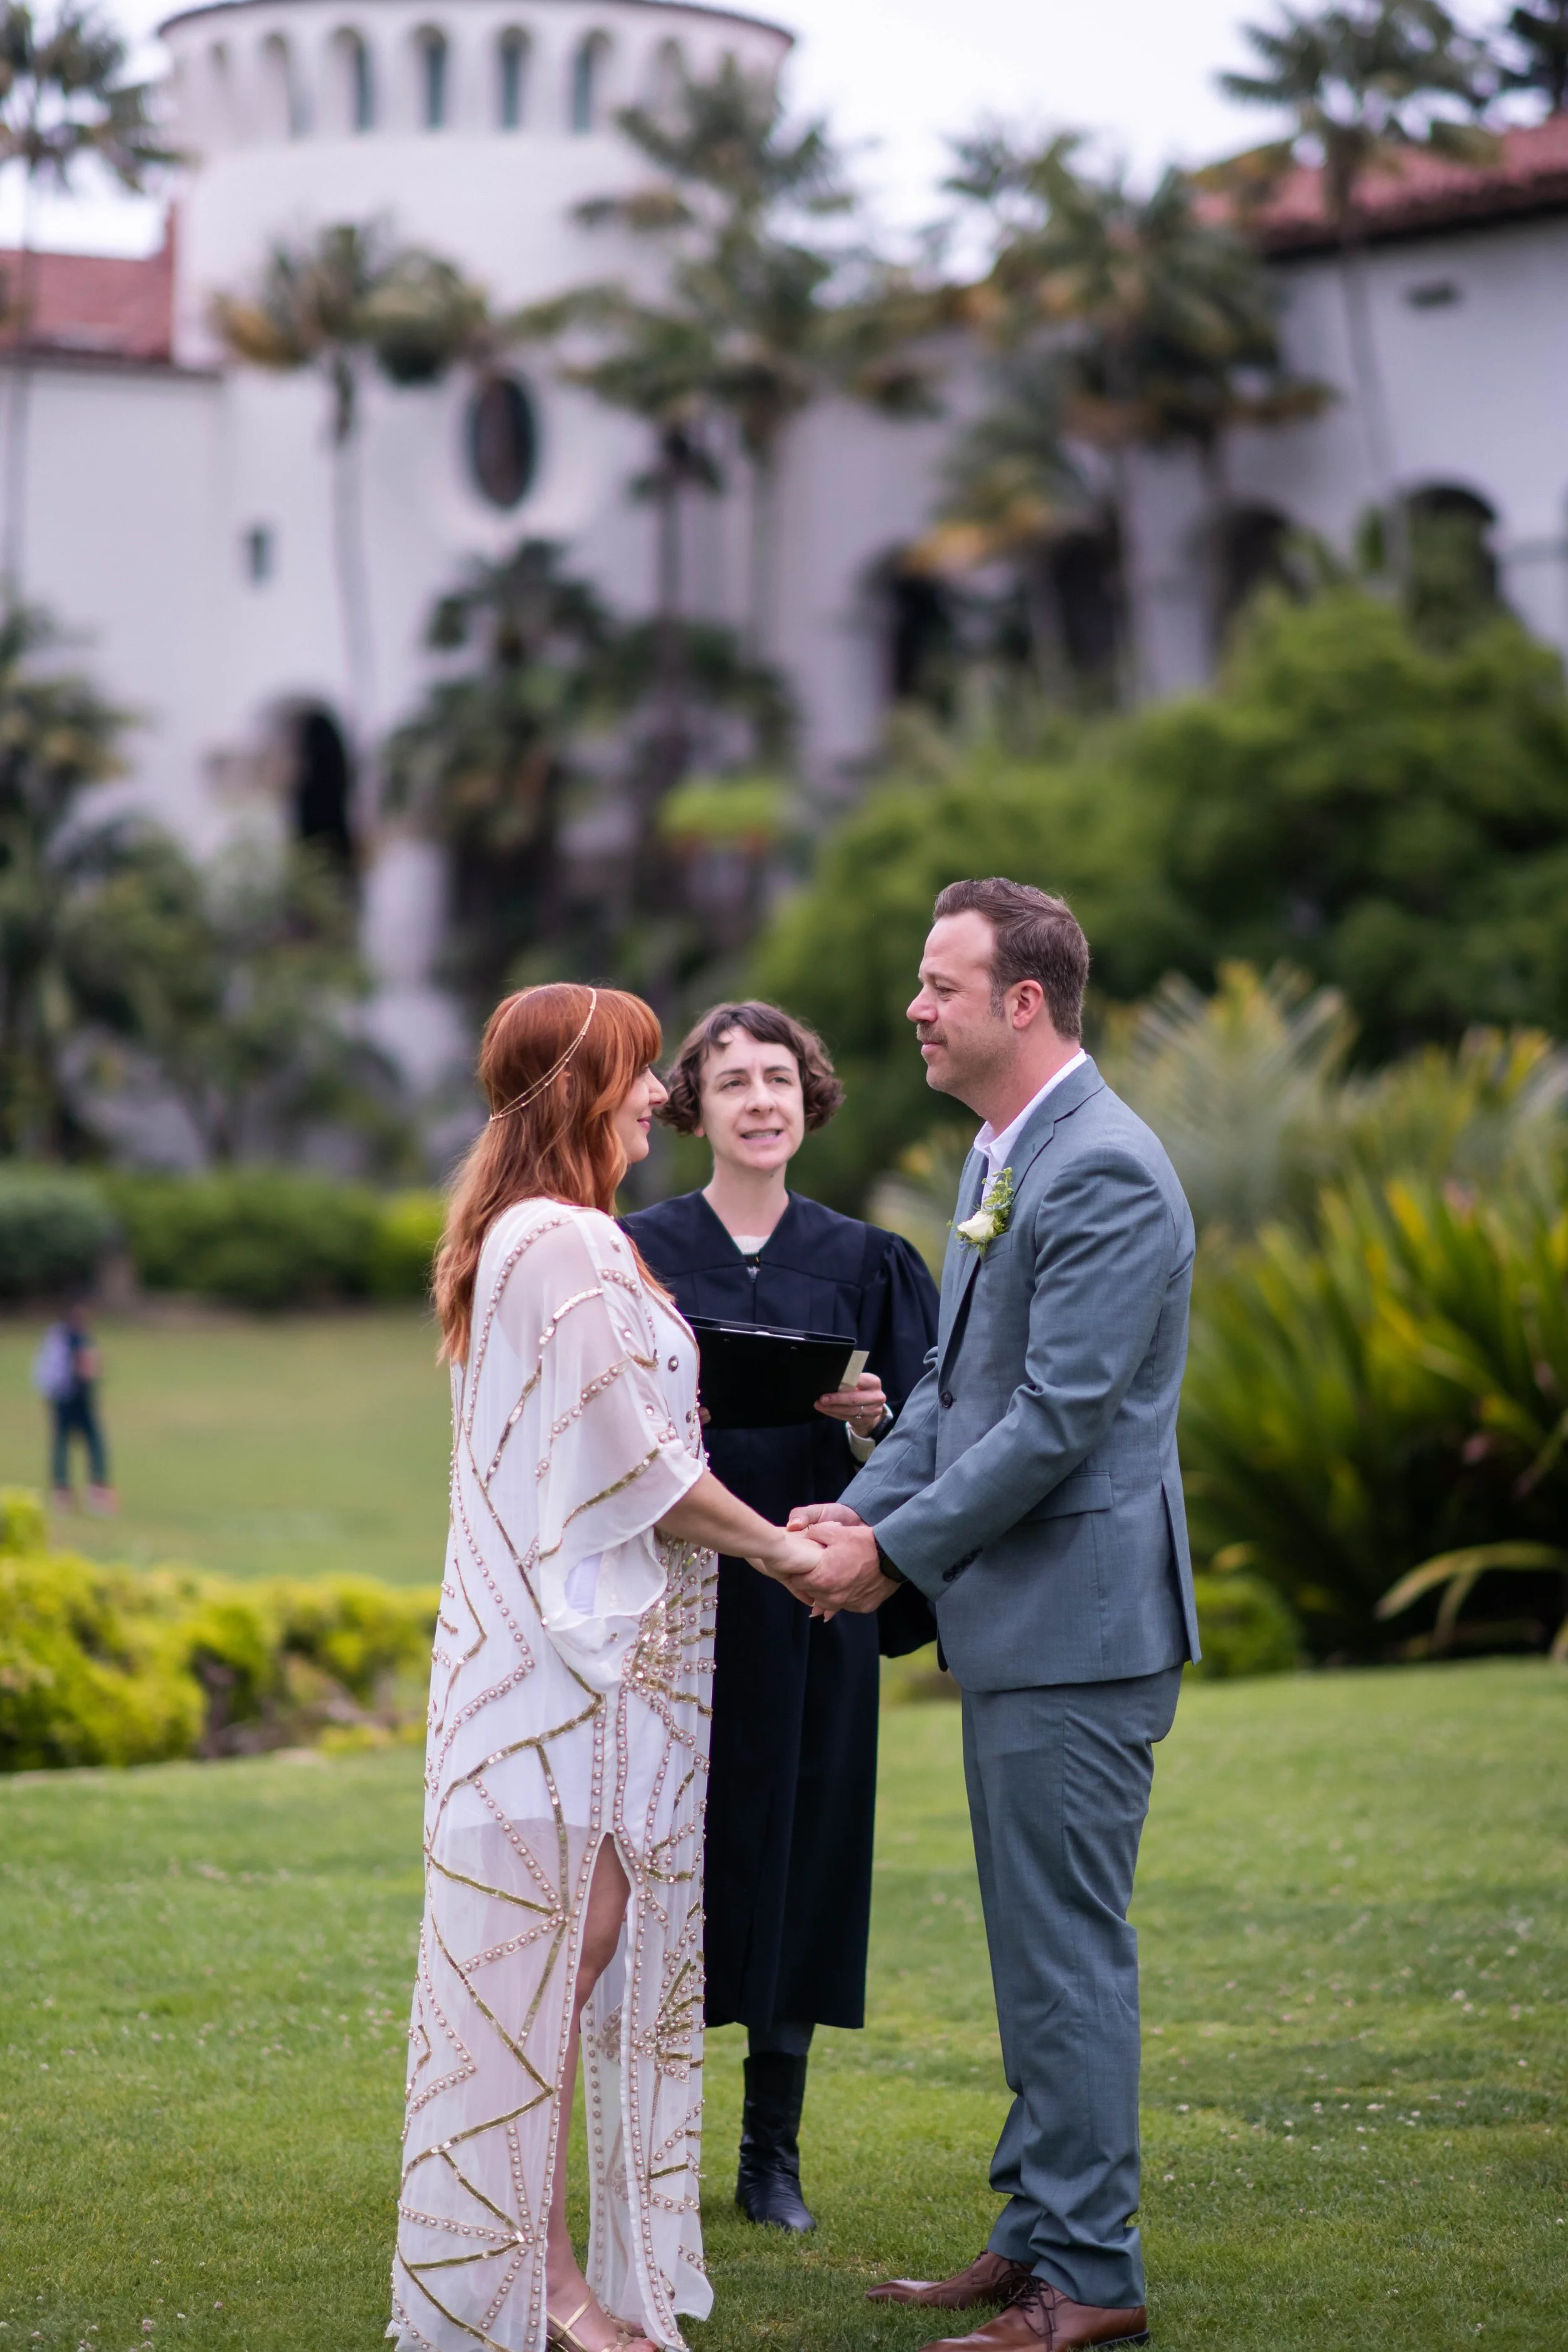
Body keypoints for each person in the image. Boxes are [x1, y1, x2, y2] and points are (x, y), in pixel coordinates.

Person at [788, 880, 1199, 2352]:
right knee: (1036, 1945)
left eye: (939, 983)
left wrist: (887, 1550)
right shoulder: (1008, 1147)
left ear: (1023, 1001)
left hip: (1083, 1625)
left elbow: (1055, 1421)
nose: (916, 1006)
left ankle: (1090, 2277)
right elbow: (958, 1394)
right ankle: (1036, 2229)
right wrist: (861, 1505)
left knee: (1067, 1948)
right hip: (1025, 1619)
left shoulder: (1104, 1170)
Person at [389, 983, 825, 2352]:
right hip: (554, 1698)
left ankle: (546, 2282)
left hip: (585, 1692)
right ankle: (543, 2293)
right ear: (584, 1089)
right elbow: (638, 1465)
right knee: (540, 1987)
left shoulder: (549, 1238)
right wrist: (783, 1551)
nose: (662, 1097)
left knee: (550, 1981)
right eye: (643, 1075)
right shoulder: (561, 1242)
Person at [623, 1003, 938, 2234]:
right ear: (692, 1104)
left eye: (780, 1080)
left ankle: (771, 2158)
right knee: (668, 1857)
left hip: (813, 1601)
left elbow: (929, 1441)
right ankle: (657, 2153)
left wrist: (866, 1422)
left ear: (810, 1100)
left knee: (802, 1851)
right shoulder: (634, 1248)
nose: (760, 1100)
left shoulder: (866, 1262)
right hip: (676, 1599)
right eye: (733, 1081)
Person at [34, 1296, 115, 1514]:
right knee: (83, 1443)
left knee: (74, 1442)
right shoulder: (69, 1337)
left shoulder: (60, 1335)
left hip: (70, 1399)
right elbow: (87, 1368)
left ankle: (70, 1494)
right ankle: (80, 1494)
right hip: (71, 1399)